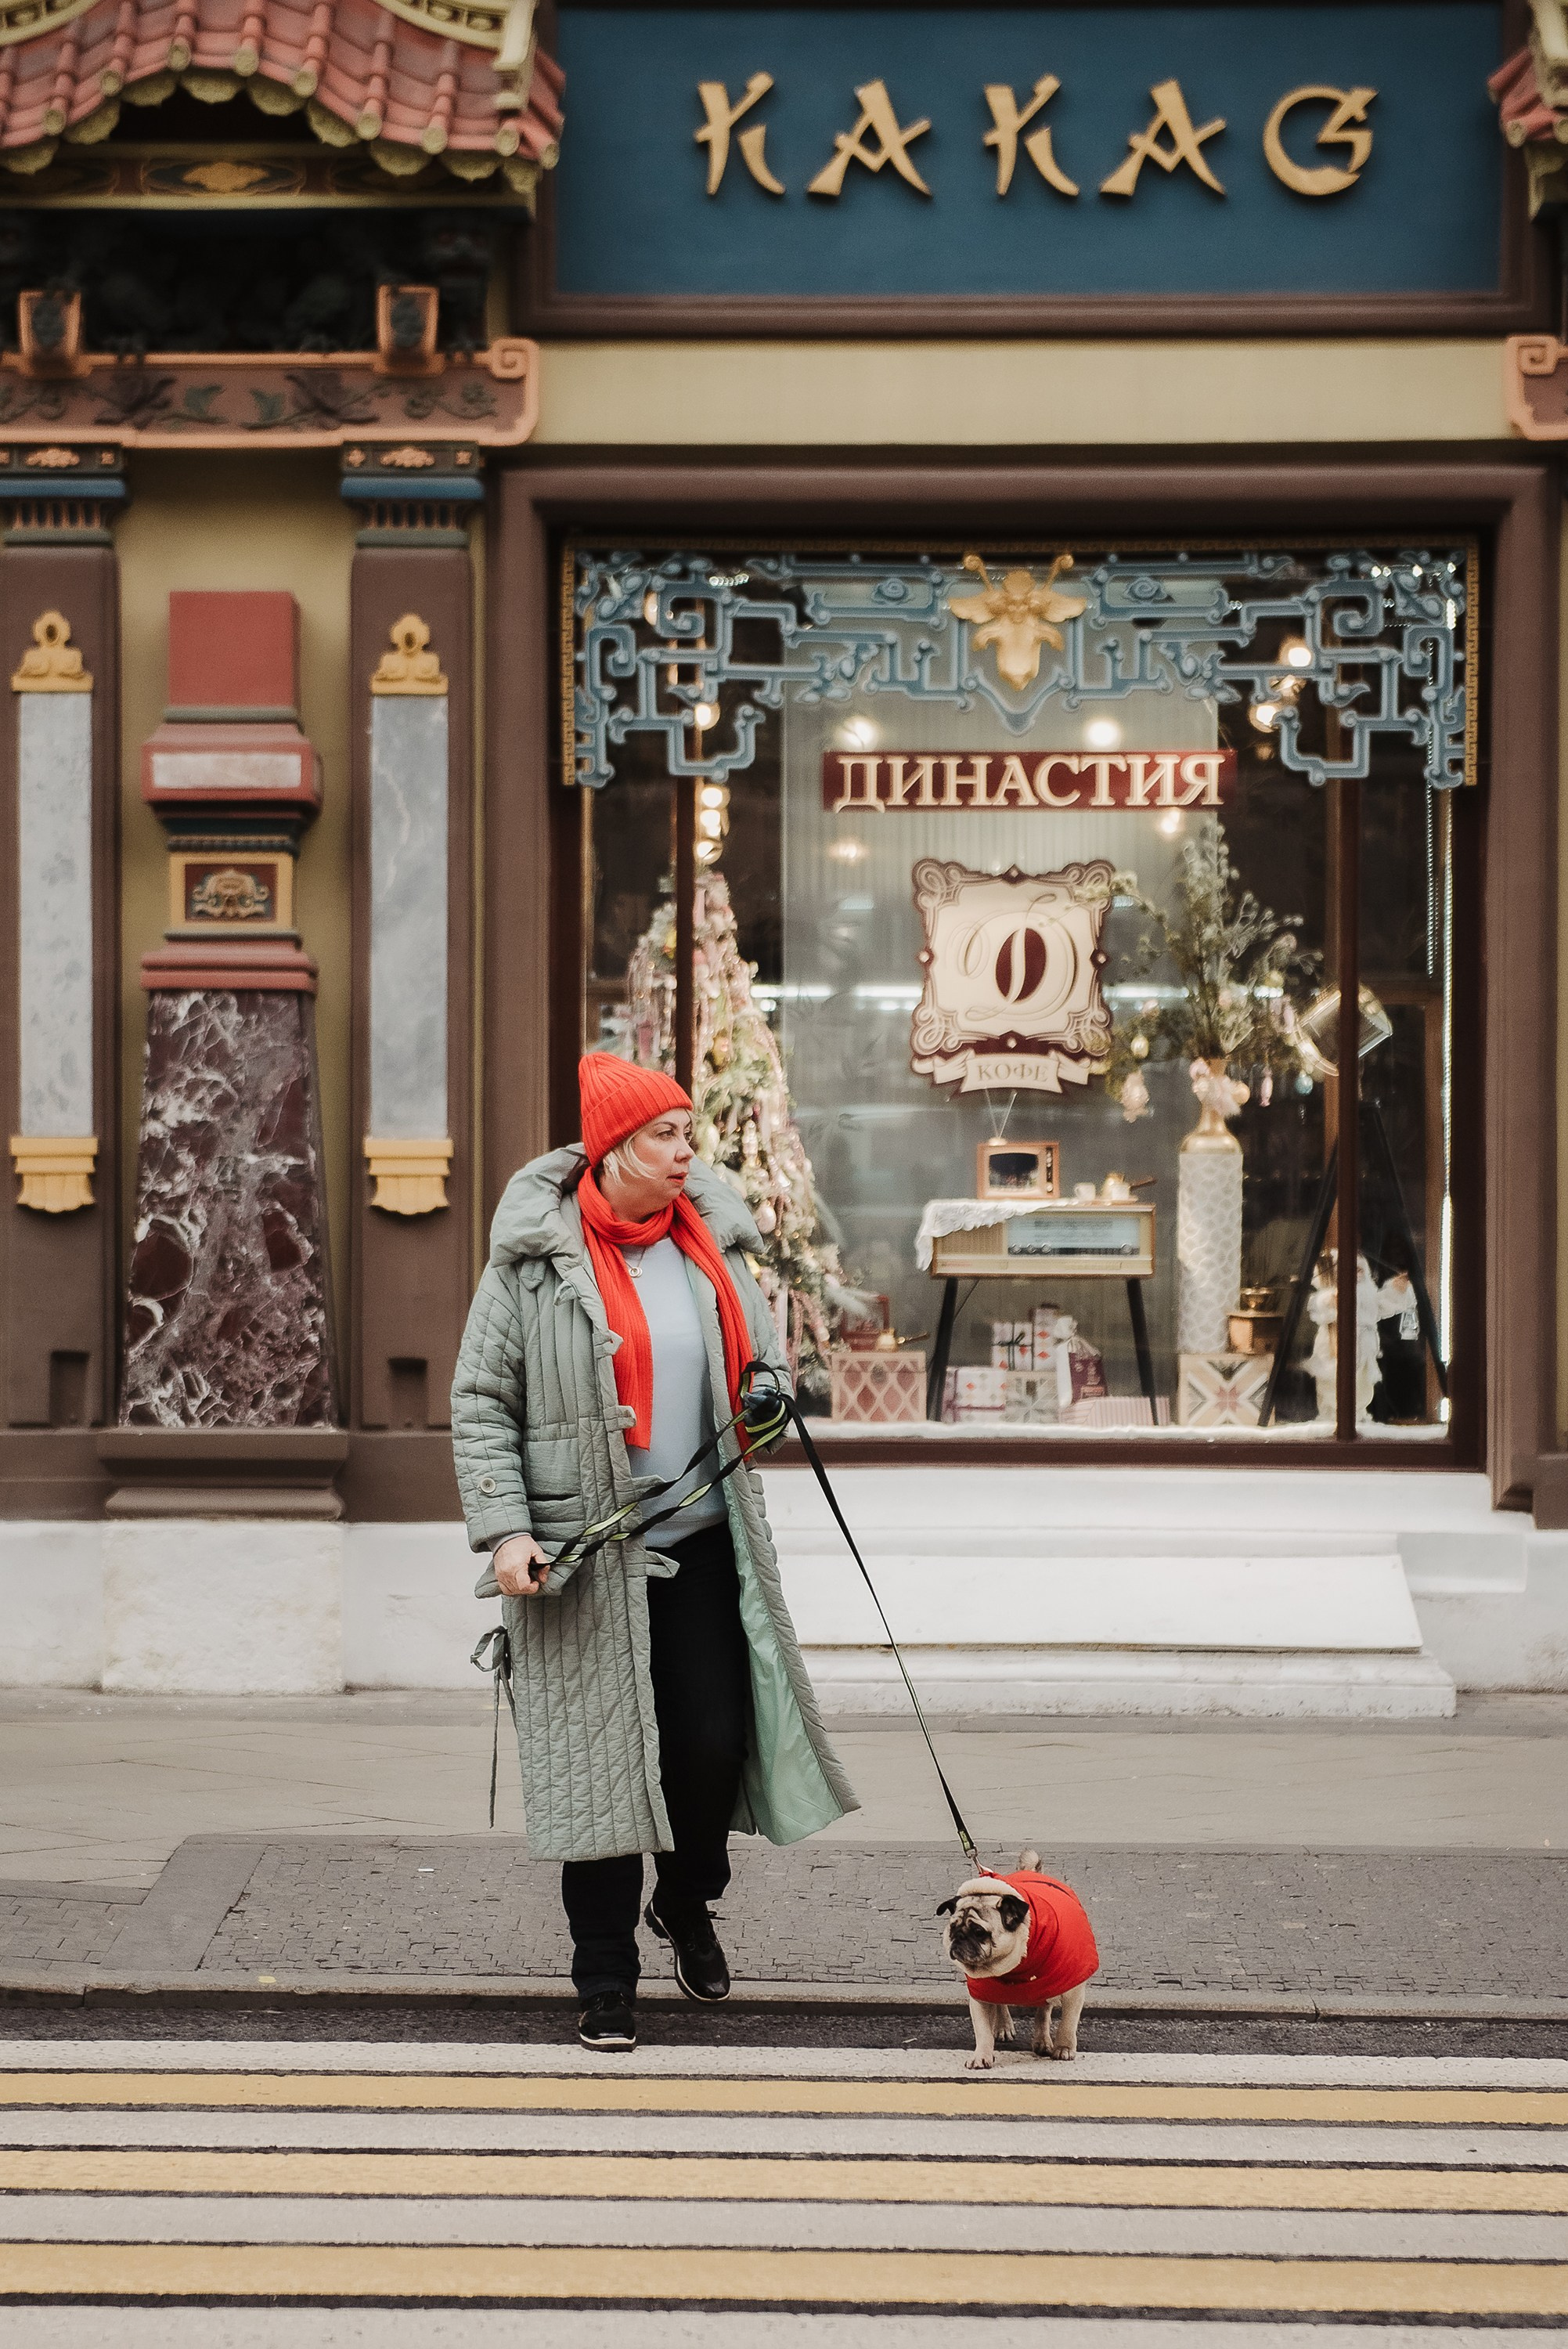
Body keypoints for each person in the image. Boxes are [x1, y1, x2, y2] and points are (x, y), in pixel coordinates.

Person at [451, 1054, 857, 2052]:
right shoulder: (535, 1264)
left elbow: (761, 1373)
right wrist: (506, 1531)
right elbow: (479, 1403)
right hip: (582, 1558)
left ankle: (686, 1898)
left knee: (711, 1750)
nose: (688, 1153)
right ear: (616, 1148)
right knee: (599, 1777)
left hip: (704, 1543)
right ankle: (603, 1981)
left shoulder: (709, 1248)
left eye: (688, 1135)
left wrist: (768, 1403)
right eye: (667, 1136)